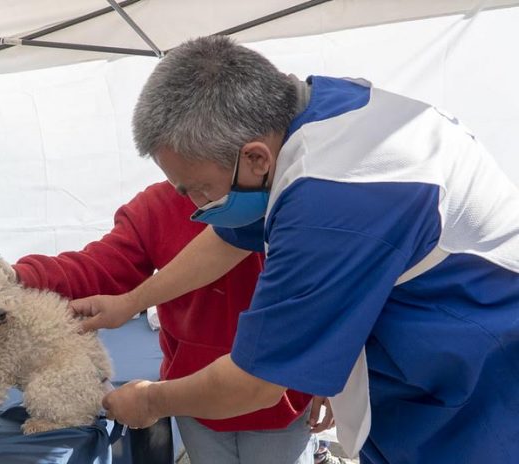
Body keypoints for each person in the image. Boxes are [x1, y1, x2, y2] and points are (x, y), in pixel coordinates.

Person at [69, 36, 519, 464]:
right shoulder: (313, 113)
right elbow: (229, 239)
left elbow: (257, 381)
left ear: (256, 159)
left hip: (477, 390)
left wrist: (151, 400)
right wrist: (131, 301)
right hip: (424, 369)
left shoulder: (336, 200)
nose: (197, 209)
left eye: (202, 190)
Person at [12, 180, 325, 464]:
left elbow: (329, 287)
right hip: (195, 399)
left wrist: (337, 373)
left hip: (281, 405)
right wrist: (17, 277)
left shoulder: (289, 201)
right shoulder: (158, 206)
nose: (194, 195)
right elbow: (101, 265)